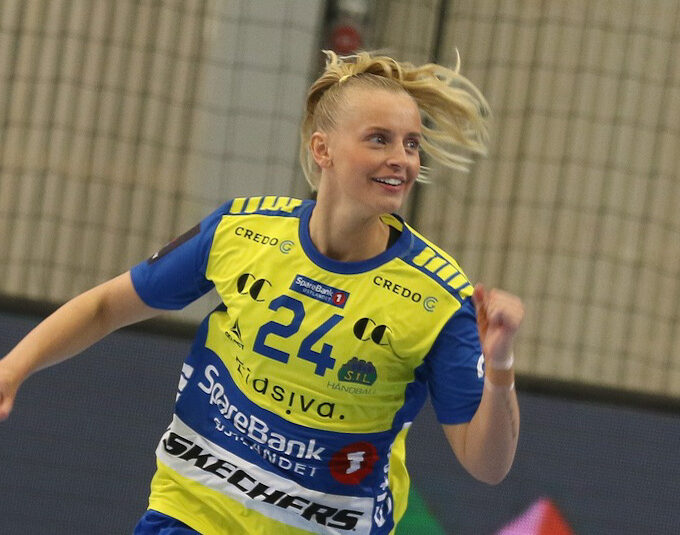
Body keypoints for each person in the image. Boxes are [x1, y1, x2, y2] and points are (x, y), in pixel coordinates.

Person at [0, 50, 523, 534]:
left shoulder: (438, 295)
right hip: (193, 512)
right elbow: (104, 307)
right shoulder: (243, 232)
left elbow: (488, 465)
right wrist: (12, 368)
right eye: (379, 139)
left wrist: (500, 366)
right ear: (323, 149)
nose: (402, 160)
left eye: (411, 144)